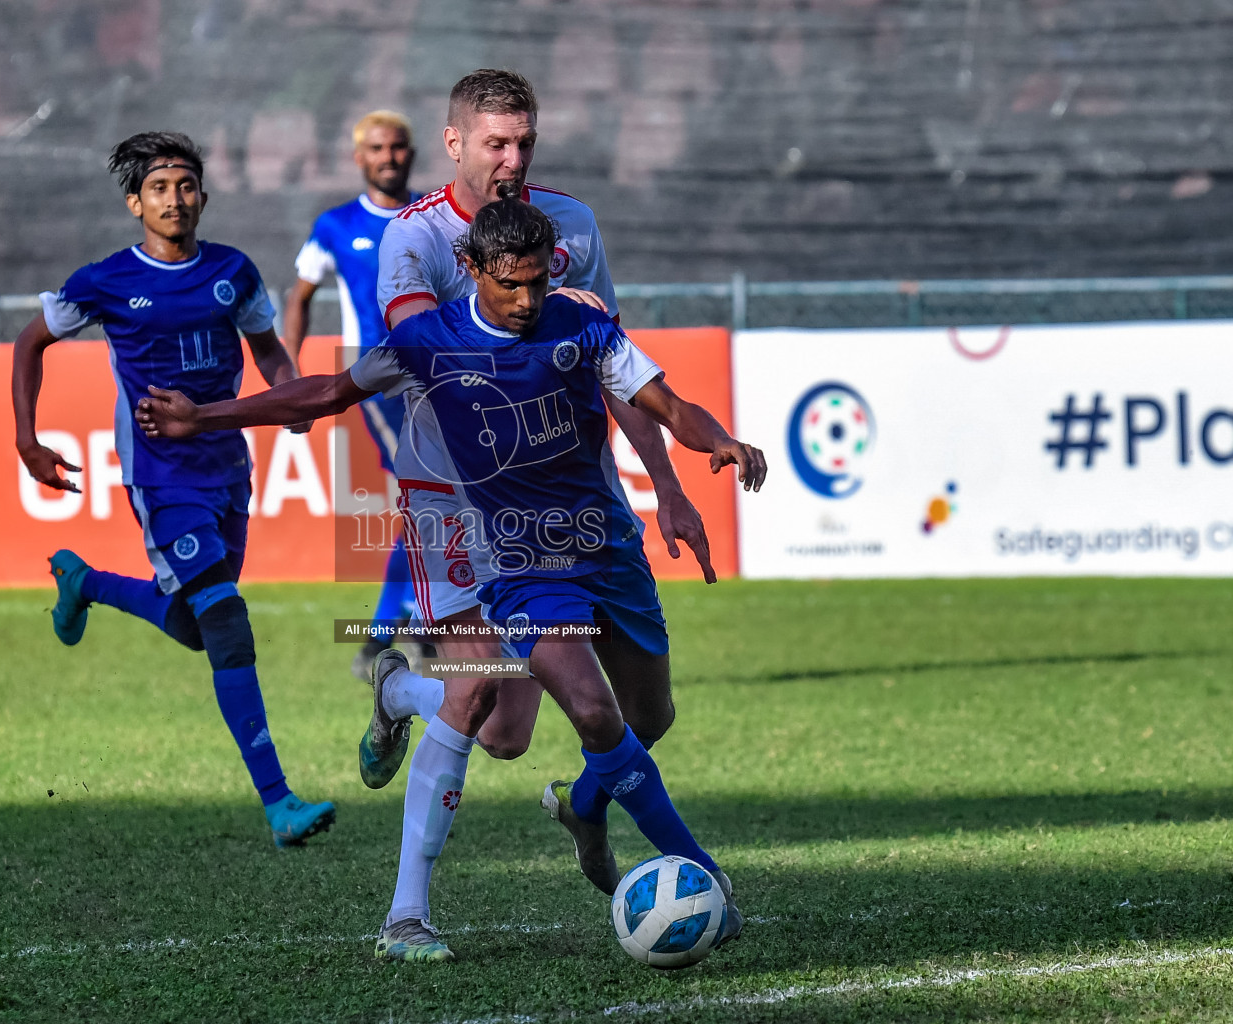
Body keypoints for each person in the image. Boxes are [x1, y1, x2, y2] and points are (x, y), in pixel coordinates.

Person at [137, 198, 766, 960]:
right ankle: (706, 878)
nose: (529, 301)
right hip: (520, 564)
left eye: (538, 283)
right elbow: (326, 393)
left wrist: (718, 440)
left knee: (644, 722)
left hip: (608, 549)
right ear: (471, 271)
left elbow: (662, 402)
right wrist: (201, 417)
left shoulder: (583, 325)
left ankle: (578, 804)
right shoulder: (426, 342)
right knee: (592, 713)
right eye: (513, 286)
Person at [356, 69, 717, 950]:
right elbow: (430, 357)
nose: (512, 159)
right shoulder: (413, 242)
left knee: (529, 734)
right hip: (455, 496)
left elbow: (614, 369)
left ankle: (405, 693)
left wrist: (665, 482)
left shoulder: (574, 228)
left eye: (524, 142)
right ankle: (407, 915)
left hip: (567, 503)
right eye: (494, 143)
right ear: (455, 145)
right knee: (482, 688)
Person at [9, 130, 336, 849]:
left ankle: (86, 583)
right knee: (225, 624)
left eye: (186, 185)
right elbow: (31, 341)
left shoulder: (234, 272)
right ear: (134, 203)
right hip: (161, 479)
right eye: (159, 188)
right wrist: (27, 439)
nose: (175, 198)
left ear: (203, 196)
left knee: (194, 626)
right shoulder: (105, 281)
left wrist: (290, 399)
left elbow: (269, 349)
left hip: (227, 469)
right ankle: (279, 802)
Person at [281, 110, 429, 680]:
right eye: (377, 149)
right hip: (379, 379)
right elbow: (298, 296)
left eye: (397, 148)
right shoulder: (336, 226)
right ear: (358, 158)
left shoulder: (433, 216)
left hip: (439, 375)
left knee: (434, 502)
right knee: (427, 497)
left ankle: (395, 634)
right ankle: (398, 631)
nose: (388, 157)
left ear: (410, 154)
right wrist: (291, 372)